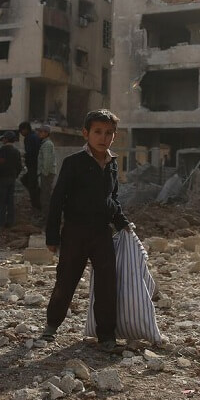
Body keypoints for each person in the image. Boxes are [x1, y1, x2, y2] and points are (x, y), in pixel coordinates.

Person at [41, 109, 133, 352]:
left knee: (107, 284)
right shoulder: (73, 163)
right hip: (75, 232)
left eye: (109, 133)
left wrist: (122, 222)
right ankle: (51, 325)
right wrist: (52, 235)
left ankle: (106, 336)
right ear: (86, 133)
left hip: (102, 233)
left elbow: (112, 199)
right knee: (66, 279)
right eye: (98, 132)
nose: (103, 137)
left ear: (114, 136)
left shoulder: (112, 164)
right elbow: (57, 200)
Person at [0, 130, 22, 228]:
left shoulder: (3, 149)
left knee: (2, 202)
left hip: (3, 178)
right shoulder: (16, 151)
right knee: (10, 201)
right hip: (12, 178)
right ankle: (10, 222)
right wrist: (15, 175)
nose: (2, 140)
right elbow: (19, 166)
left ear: (6, 139)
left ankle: (1, 223)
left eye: (3, 138)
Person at [18, 121, 42, 214]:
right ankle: (38, 198)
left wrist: (26, 157)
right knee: (26, 181)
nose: (21, 133)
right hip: (35, 165)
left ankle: (37, 205)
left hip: (33, 165)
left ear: (26, 129)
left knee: (32, 185)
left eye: (21, 130)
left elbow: (31, 152)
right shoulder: (35, 136)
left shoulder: (29, 138)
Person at [36, 124, 56, 224]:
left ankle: (47, 219)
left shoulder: (47, 144)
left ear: (46, 133)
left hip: (47, 174)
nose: (39, 133)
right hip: (47, 173)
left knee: (45, 197)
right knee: (45, 196)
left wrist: (44, 173)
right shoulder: (45, 143)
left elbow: (47, 161)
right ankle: (47, 218)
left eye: (41, 131)